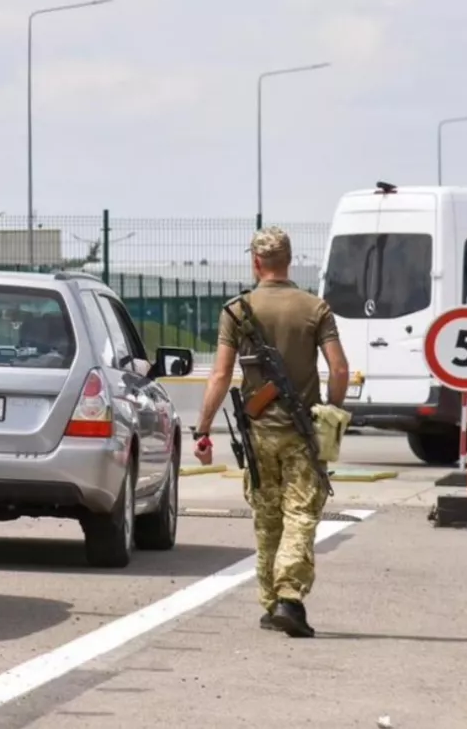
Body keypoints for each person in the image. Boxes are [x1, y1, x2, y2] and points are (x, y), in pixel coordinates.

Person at [191, 226, 349, 638]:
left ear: (256, 263)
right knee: (301, 513)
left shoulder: (237, 310)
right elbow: (340, 369)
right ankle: (289, 599)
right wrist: (332, 411)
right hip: (303, 433)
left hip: (258, 432)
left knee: (266, 517)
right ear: (289, 260)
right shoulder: (316, 308)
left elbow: (221, 374)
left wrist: (203, 429)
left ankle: (269, 602)